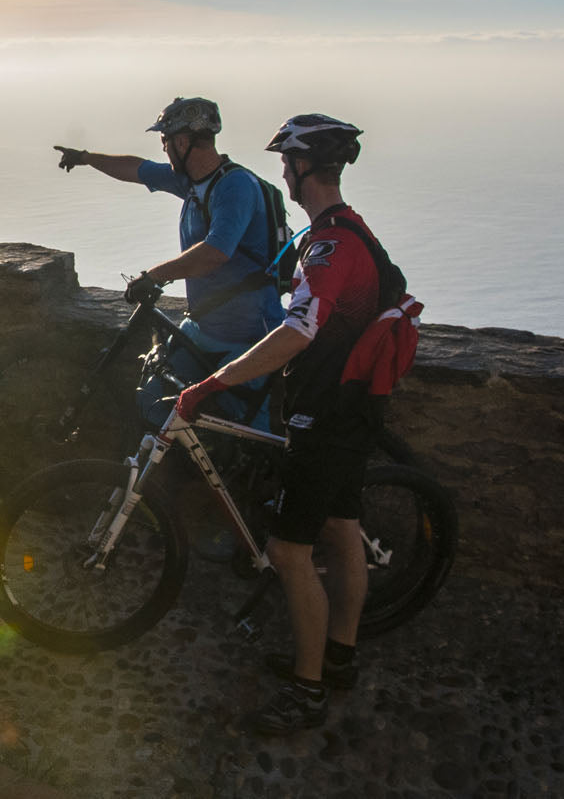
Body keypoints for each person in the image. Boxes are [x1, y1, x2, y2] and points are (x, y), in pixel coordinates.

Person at [172, 113, 381, 736]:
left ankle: (307, 690)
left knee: (290, 552)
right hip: (357, 408)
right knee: (344, 529)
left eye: (288, 163)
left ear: (305, 168)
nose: (282, 173)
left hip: (325, 415)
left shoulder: (329, 246)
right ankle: (338, 657)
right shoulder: (350, 229)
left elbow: (296, 332)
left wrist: (214, 382)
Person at [53, 96, 285, 431]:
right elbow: (136, 169)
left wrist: (155, 275)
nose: (163, 149)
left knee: (243, 430)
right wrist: (86, 158)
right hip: (203, 326)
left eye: (164, 140)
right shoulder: (190, 180)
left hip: (247, 336)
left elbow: (215, 252)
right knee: (153, 400)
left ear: (182, 141)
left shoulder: (235, 186)